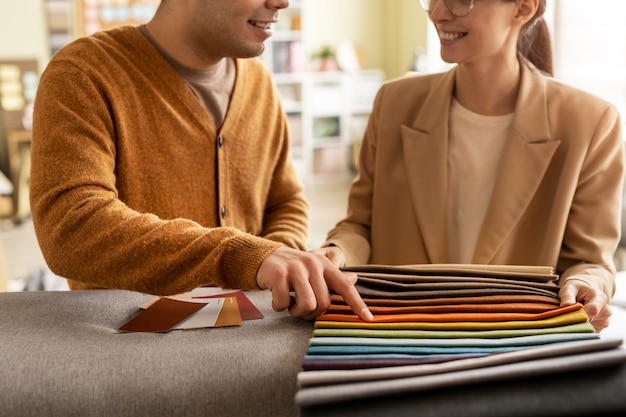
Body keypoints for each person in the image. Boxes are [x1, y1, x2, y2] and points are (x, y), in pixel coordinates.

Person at [29, 0, 372, 322]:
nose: (282, 1)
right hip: (129, 346)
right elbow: (71, 226)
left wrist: (281, 264)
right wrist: (243, 257)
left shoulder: (260, 84)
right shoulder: (83, 74)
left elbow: (285, 200)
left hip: (250, 330)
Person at [315, 0, 624, 332]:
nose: (437, 13)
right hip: (399, 332)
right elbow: (360, 226)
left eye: (461, 0)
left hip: (513, 338)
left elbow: (588, 260)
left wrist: (586, 285)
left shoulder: (591, 122)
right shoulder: (393, 104)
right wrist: (335, 253)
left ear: (522, 9)